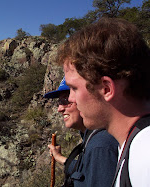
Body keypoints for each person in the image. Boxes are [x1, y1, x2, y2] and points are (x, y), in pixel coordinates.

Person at [55, 17, 150, 186]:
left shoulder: (145, 155)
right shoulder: (131, 146)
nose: (70, 99)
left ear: (106, 89)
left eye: (74, 88)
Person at [45, 77, 118, 187]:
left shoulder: (100, 146)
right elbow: (84, 169)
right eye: (59, 102)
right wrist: (59, 157)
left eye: (66, 100)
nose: (59, 108)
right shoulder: (91, 139)